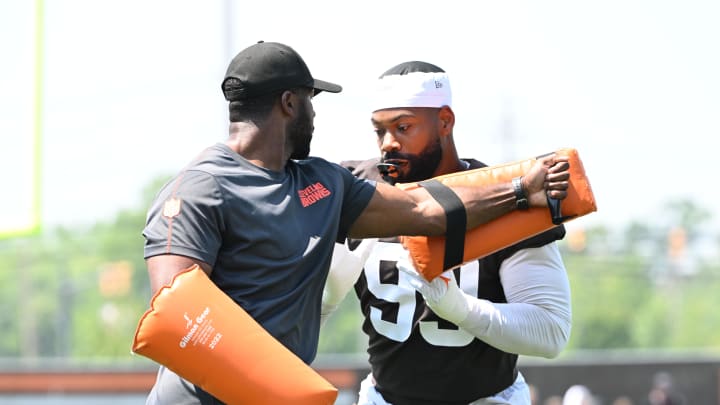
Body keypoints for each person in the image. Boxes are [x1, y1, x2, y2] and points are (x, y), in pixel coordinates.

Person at [141, 42, 570, 405]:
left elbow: (423, 211)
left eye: (402, 127)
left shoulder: (325, 183)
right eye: (311, 100)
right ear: (290, 103)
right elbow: (176, 316)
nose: (387, 143)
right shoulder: (200, 187)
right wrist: (277, 390)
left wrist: (518, 192)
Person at [322, 61, 573, 405]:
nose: (388, 144)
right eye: (380, 131)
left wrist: (460, 309)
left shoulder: (507, 194)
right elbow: (311, 306)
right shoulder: (360, 192)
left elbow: (550, 330)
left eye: (403, 127)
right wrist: (323, 295)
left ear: (444, 122)